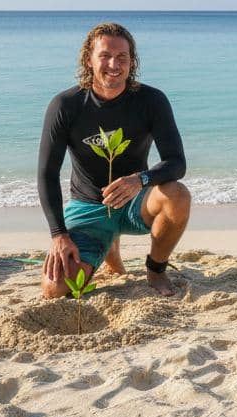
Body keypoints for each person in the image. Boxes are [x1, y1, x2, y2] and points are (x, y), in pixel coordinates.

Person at [37, 22, 192, 299]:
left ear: (132, 62)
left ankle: (156, 270)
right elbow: (47, 174)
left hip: (136, 202)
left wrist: (139, 180)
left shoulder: (151, 101)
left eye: (122, 57)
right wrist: (59, 235)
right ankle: (107, 245)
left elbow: (176, 163)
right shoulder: (65, 106)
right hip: (88, 208)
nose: (114, 64)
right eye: (105, 55)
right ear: (89, 59)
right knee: (56, 290)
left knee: (177, 195)